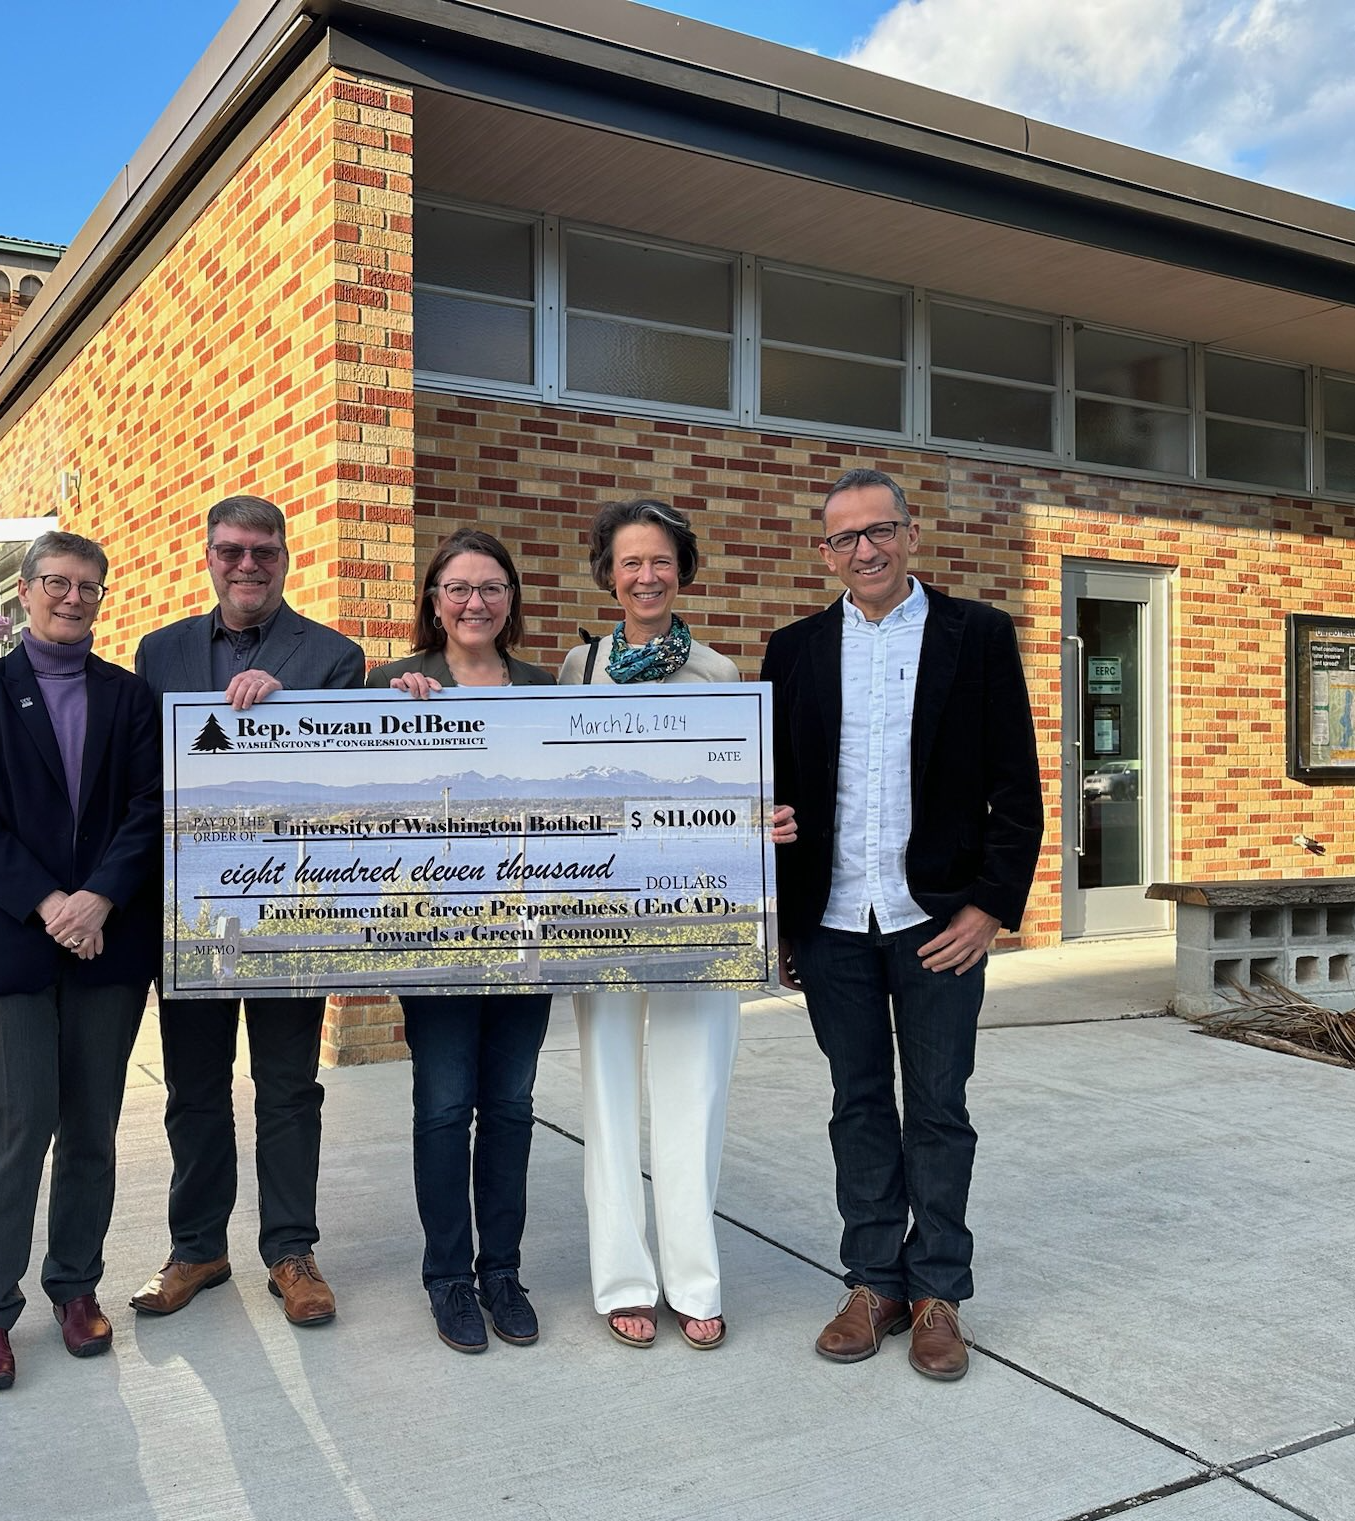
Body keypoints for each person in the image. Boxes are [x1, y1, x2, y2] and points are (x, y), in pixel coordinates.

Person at [762, 466, 1042, 1382]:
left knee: (939, 1107)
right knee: (857, 1103)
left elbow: (1018, 792)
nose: (865, 551)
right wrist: (779, 878)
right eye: (845, 538)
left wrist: (991, 908)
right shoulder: (794, 650)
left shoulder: (979, 635)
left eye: (879, 531)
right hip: (834, 921)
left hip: (938, 922)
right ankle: (874, 1281)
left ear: (910, 534)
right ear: (824, 553)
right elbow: (778, 793)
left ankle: (937, 1295)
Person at [560, 498, 796, 1351]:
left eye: (660, 561)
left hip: (698, 908)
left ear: (682, 570)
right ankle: (624, 1277)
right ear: (608, 575)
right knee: (611, 1091)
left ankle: (696, 1280)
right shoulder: (575, 671)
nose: (646, 577)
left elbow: (745, 792)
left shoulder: (724, 677)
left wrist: (765, 821)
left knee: (694, 1093)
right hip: (603, 913)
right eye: (629, 563)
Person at [131, 495, 366, 1327]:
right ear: (208, 555)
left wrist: (290, 708)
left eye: (263, 552)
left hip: (288, 915)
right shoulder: (156, 653)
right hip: (192, 912)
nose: (247, 566)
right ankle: (197, 1247)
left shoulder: (334, 657)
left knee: (288, 1090)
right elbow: (144, 779)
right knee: (193, 1090)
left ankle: (291, 1252)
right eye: (231, 551)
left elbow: (340, 787)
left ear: (286, 557)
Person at [0, 529, 162, 1393]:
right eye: (56, 583)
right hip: (11, 939)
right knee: (16, 1123)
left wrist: (97, 898)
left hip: (107, 940)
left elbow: (149, 809)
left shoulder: (130, 698)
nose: (73, 599)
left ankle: (75, 1288)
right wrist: (49, 904)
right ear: (23, 593)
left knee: (92, 1128)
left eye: (88, 587)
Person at [368, 528, 556, 1354]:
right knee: (445, 1109)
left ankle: (502, 1272)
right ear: (433, 602)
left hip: (529, 933)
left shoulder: (546, 689)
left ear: (510, 601)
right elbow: (361, 794)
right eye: (458, 587)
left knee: (511, 1108)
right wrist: (389, 720)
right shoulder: (394, 683)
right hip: (435, 935)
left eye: (491, 588)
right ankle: (448, 1278)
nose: (474, 602)